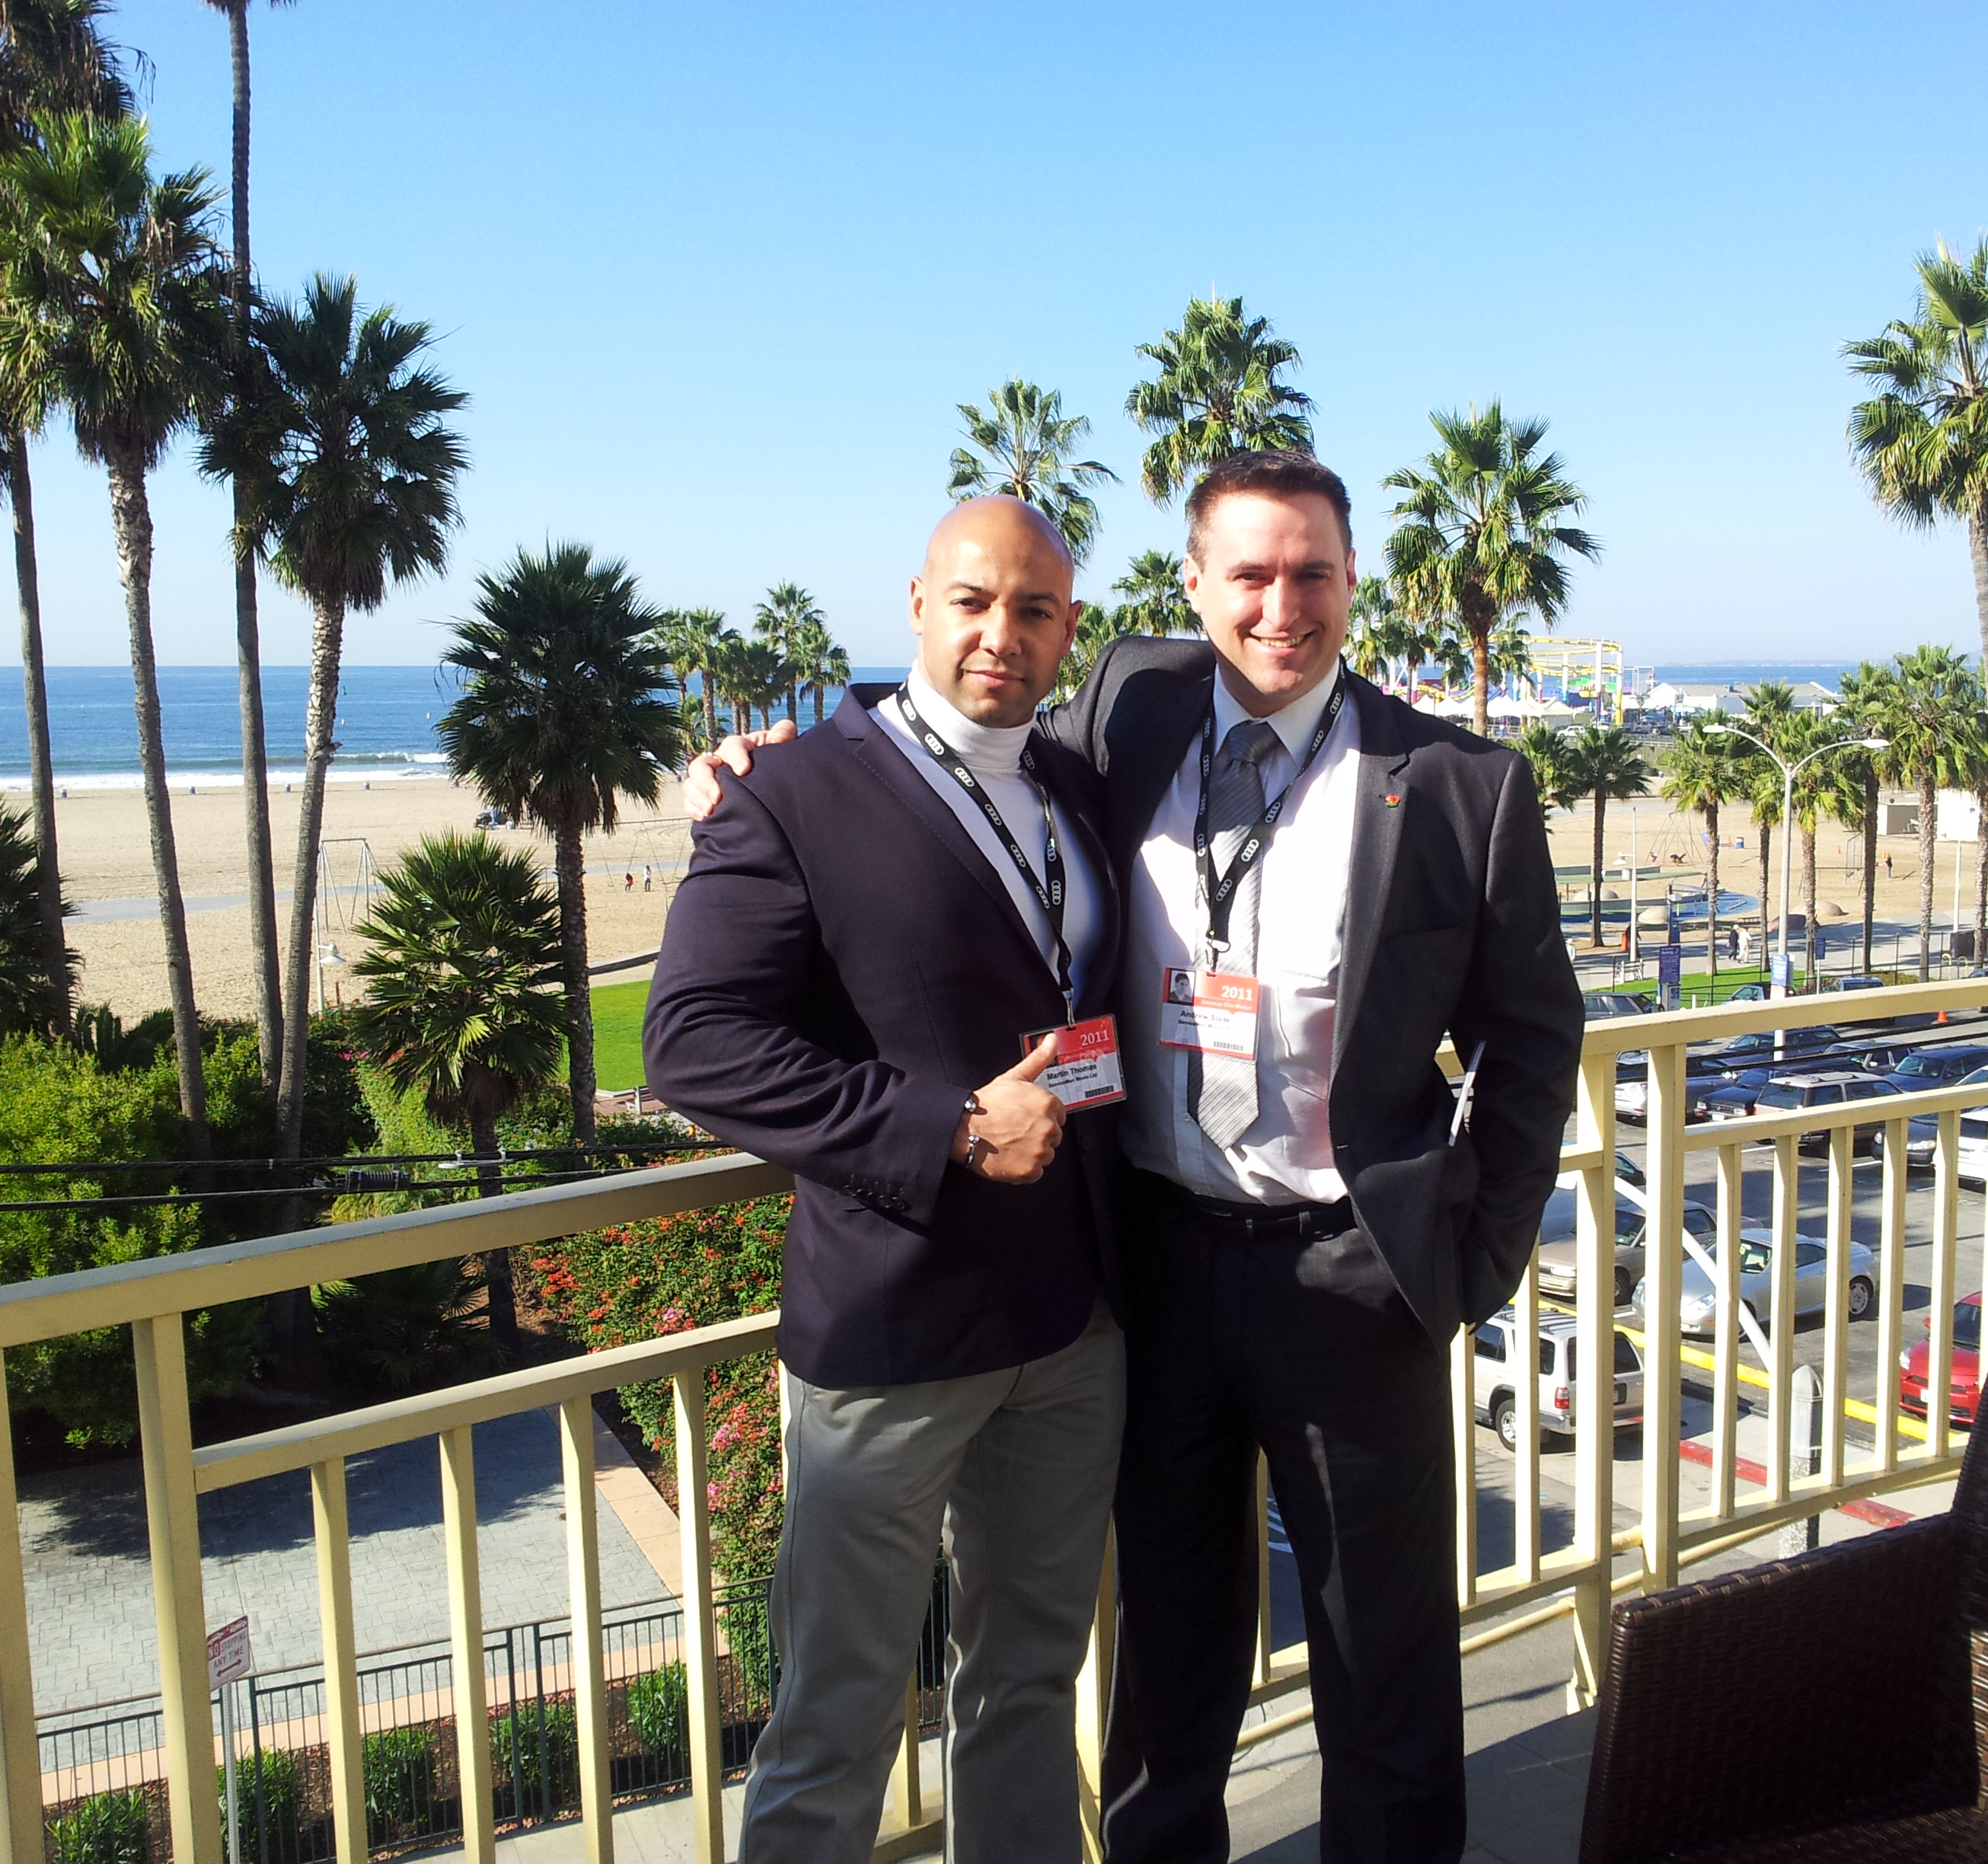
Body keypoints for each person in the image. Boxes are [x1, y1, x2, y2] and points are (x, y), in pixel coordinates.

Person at [693, 452, 1581, 1862]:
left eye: (1311, 574)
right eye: (1249, 574)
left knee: (1383, 1670)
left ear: (1355, 583)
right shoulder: (1132, 706)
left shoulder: (1458, 785)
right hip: (1153, 1275)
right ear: (1194, 590)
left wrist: (1469, 1261)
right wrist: (765, 764)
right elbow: (940, 712)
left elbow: (1535, 1047)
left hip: (1354, 1276)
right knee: (1166, 1679)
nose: (1280, 605)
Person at [644, 496, 1128, 1864]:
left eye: (1035, 610)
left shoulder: (1075, 788)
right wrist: (951, 1129)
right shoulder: (791, 794)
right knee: (837, 1713)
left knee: (1027, 1682)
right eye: (973, 602)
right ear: (917, 603)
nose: (1001, 633)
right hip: (892, 1332)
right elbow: (693, 1045)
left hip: (1073, 1320)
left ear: (1068, 631)